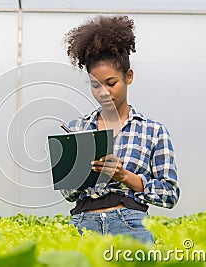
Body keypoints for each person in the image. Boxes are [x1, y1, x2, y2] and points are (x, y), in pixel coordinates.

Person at [61, 15, 180, 244]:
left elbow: (169, 194)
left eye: (111, 83)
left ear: (129, 77)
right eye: (95, 85)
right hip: (82, 226)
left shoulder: (153, 131)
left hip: (131, 225)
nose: (103, 92)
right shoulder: (77, 128)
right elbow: (68, 194)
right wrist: (80, 171)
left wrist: (123, 176)